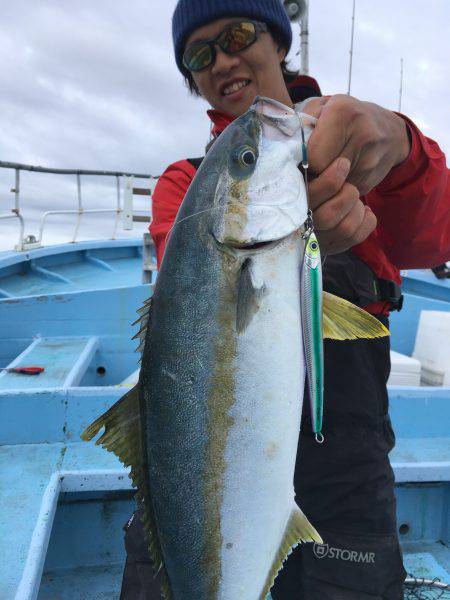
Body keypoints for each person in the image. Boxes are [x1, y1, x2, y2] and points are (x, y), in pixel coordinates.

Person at [120, 1, 450, 598]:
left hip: (343, 473)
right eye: (199, 54)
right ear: (192, 78)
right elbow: (191, 288)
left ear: (277, 40)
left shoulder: (366, 155)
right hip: (198, 470)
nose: (222, 60)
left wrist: (399, 144)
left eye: (238, 34)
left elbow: (436, 233)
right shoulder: (186, 183)